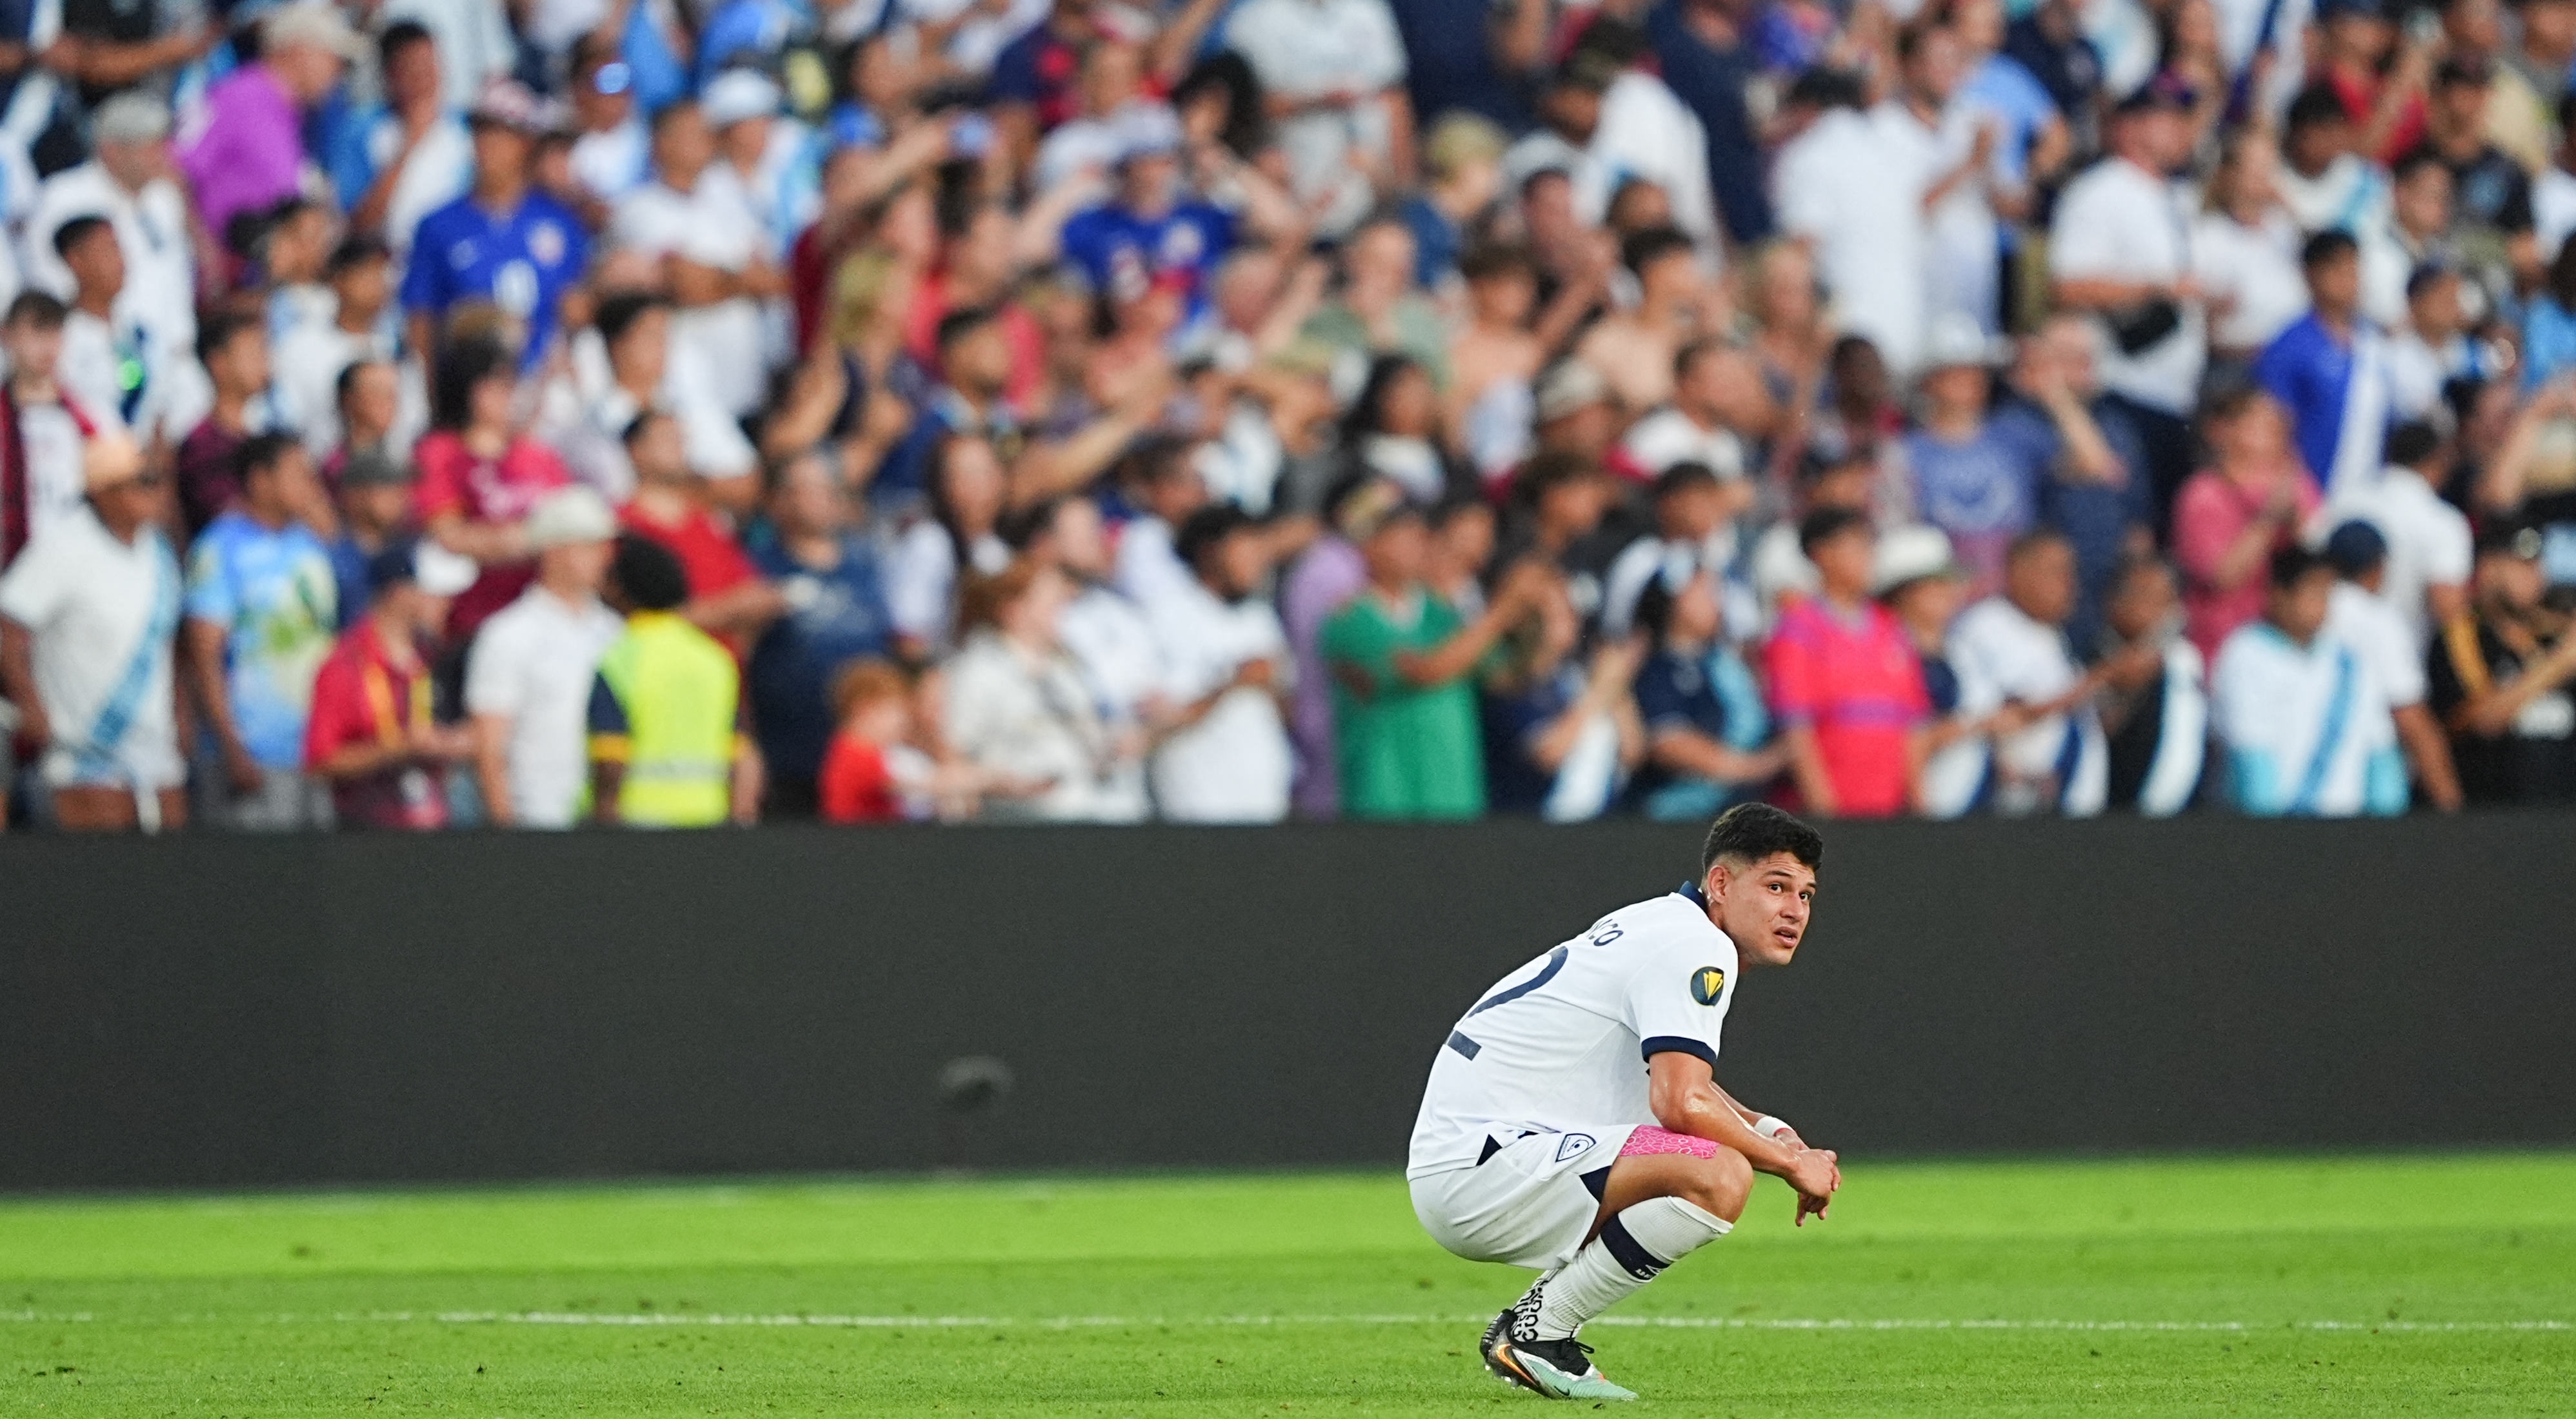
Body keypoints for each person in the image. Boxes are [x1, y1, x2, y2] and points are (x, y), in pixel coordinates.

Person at [1408, 802, 1841, 1402]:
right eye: (1775, 887)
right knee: (1719, 1174)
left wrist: (1772, 1130)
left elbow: (1675, 1082)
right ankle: (1538, 1332)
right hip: (1486, 1166)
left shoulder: (1664, 924)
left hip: (1477, 1159)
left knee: (1707, 1156)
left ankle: (1536, 1330)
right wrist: (1791, 1164)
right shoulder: (1696, 947)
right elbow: (1680, 1103)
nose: (1794, 910)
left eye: (1806, 895)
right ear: (1721, 883)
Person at [1321, 491, 1550, 820]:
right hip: (1384, 800)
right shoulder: (1350, 619)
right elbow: (1423, 670)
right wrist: (1503, 611)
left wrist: (1537, 623)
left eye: (1420, 534)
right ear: (1370, 545)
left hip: (1452, 798)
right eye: (1402, 534)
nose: (1418, 544)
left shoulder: (1443, 614)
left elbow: (1505, 677)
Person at [0, 433, 186, 831]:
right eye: (143, 482)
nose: (158, 493)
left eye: (159, 480)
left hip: (159, 756)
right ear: (104, 491)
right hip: (85, 758)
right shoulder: (64, 547)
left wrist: (182, 716)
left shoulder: (160, 552)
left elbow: (168, 643)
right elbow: (8, 626)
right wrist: (31, 704)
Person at [2049, 75, 2208, 514]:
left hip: (2173, 392)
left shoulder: (2170, 195)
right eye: (2167, 118)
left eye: (2183, 119)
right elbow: (2067, 286)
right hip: (2121, 385)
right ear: (2128, 126)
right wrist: (2155, 288)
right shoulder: (2101, 190)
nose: (2181, 129)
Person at [179, 433, 338, 831]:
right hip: (254, 754)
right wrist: (231, 746)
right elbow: (203, 657)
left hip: (317, 753)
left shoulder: (311, 543)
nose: (311, 485)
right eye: (298, 474)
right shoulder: (220, 548)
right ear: (260, 480)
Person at [746, 451, 896, 818]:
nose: (821, 498)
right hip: (786, 764)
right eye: (807, 489)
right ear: (779, 500)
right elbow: (738, 657)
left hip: (862, 765)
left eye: (828, 488)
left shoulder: (865, 567)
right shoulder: (757, 567)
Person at [610, 99, 783, 419]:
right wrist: (743, 280)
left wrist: (721, 279)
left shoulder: (731, 201)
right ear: (662, 143)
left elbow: (776, 280)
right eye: (695, 132)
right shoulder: (638, 210)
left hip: (747, 389)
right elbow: (685, 285)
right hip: (682, 396)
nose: (708, 140)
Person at [464, 488, 623, 829]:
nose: (604, 557)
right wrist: (507, 833)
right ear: (553, 551)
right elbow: (489, 747)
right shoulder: (508, 635)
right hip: (537, 823)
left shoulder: (615, 631)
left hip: (604, 826)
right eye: (589, 545)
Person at [401, 81, 590, 368]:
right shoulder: (438, 225)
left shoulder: (560, 222)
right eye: (480, 132)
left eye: (501, 134)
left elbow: (575, 307)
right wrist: (430, 387)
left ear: (526, 143)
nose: (487, 145)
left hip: (543, 381)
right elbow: (421, 317)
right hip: (466, 382)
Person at [2209, 544, 2406, 816]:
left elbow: (2380, 754)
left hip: (2349, 829)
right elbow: (2251, 759)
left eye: (2327, 593)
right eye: (2313, 591)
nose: (2322, 603)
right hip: (2280, 828)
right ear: (2279, 596)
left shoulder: (2350, 662)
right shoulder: (2246, 655)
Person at [1763, 508, 1931, 817]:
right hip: (1827, 816)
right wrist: (1826, 815)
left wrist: (1920, 806)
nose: (1869, 556)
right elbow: (1797, 729)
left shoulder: (1891, 628)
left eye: (1870, 545)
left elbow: (1913, 724)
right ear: (1822, 554)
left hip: (1890, 813)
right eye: (1857, 545)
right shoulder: (1798, 629)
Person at [303, 539, 478, 831]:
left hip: (439, 830)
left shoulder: (437, 658)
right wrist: (399, 749)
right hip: (367, 835)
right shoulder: (345, 665)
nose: (448, 602)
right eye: (435, 593)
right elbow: (321, 760)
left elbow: (473, 732)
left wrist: (455, 743)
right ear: (400, 593)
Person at [943, 558, 1132, 822]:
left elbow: (1088, 737)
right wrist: (997, 783)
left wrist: (1116, 745)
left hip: (1083, 812)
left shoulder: (1066, 670)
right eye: (1052, 603)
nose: (1063, 611)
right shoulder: (979, 671)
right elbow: (954, 753)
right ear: (1015, 610)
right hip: (1016, 821)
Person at [587, 534, 757, 829]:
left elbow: (611, 757)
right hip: (708, 818)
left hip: (638, 821)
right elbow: (741, 754)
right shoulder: (714, 658)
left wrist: (603, 822)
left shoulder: (619, 659)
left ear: (622, 590)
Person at [414, 338, 574, 644]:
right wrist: (530, 539)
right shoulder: (440, 453)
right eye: (495, 385)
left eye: (511, 385)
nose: (508, 395)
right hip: (470, 614)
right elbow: (447, 535)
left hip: (542, 611)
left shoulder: (539, 456)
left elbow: (568, 525)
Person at [1946, 530, 2110, 816]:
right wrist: (2103, 677)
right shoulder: (1989, 624)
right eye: (2057, 571)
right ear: (2018, 572)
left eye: (2071, 572)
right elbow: (2014, 711)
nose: (2070, 583)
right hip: (2015, 807)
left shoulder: (2052, 635)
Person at [1146, 505, 1294, 822]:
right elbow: (1163, 719)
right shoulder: (1169, 615)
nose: (1258, 562)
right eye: (1246, 550)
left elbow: (1287, 709)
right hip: (1199, 801)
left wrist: (1273, 685)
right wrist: (1236, 679)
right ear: (1210, 553)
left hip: (1263, 797)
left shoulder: (1259, 616)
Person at [177, 3, 361, 246]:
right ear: (299, 50)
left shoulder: (296, 117)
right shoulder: (237, 97)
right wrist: (205, 248)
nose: (339, 73)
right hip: (222, 259)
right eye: (333, 58)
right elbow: (175, 168)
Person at [2425, 522, 2576, 803]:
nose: (2536, 576)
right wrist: (2559, 664)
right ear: (2489, 569)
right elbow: (2482, 722)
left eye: (2538, 565)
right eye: (2522, 565)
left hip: (2563, 811)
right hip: (2496, 812)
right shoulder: (2464, 636)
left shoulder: (2553, 633)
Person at [2320, 520, 2464, 811]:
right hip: (2365, 783)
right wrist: (2450, 805)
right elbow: (2409, 716)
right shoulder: (2377, 621)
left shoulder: (2303, 612)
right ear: (2378, 567)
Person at [2174, 386, 2321, 662]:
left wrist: (2295, 521)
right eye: (2258, 423)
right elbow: (2221, 576)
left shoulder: (2298, 485)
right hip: (2221, 640)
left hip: (2284, 644)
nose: (2272, 432)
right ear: (2225, 430)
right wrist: (2268, 520)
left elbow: (2317, 553)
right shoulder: (2203, 494)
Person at [1627, 564, 1786, 820]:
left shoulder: (1725, 663)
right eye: (1704, 593)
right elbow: (1669, 744)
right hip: (1677, 819)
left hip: (1741, 813)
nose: (1717, 603)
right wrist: (1757, 766)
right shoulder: (1657, 670)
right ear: (1675, 599)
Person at [2254, 231, 2396, 498]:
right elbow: (2276, 428)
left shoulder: (2374, 342)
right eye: (2337, 269)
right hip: (2311, 494)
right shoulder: (2290, 346)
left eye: (2354, 268)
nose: (2349, 279)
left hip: (2368, 494)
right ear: (2312, 275)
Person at [2093, 556, 2210, 815]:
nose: (2159, 611)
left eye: (2166, 599)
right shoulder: (2093, 659)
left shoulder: (2183, 661)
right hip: (2112, 813)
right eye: (2146, 596)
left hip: (2181, 815)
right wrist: (2123, 683)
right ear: (2114, 602)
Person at [0, 294, 101, 563]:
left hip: (74, 559)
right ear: (7, 335)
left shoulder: (85, 418)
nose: (47, 345)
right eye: (37, 330)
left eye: (55, 332)